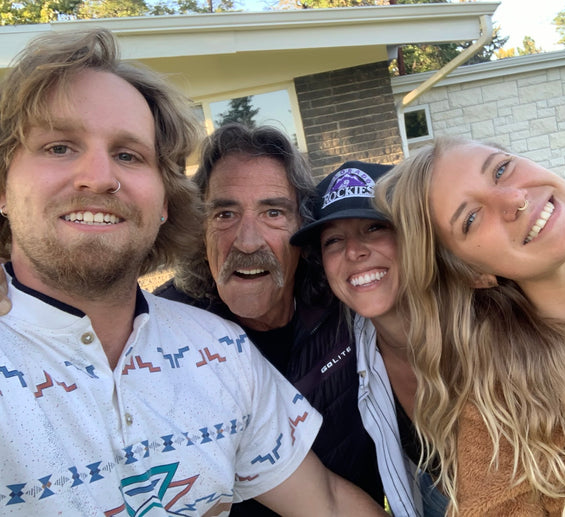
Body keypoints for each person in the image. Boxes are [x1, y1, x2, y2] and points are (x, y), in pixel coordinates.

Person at [0, 28, 389, 516]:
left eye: (128, 154)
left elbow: (327, 502)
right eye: (59, 147)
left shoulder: (222, 349)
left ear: (164, 201)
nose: (99, 177)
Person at [375, 136, 565, 516]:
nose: (514, 200)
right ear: (473, 273)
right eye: (471, 219)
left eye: (501, 169)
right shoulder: (496, 407)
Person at [154, 123, 384, 515]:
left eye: (273, 212)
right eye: (225, 213)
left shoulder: (346, 296)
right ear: (199, 228)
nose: (247, 241)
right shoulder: (163, 335)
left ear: (303, 229)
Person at [290, 161, 449, 517]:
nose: (354, 251)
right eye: (334, 240)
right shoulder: (348, 345)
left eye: (375, 227)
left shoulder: (482, 313)